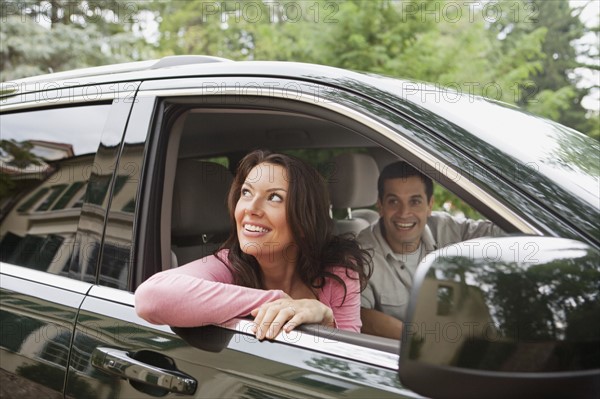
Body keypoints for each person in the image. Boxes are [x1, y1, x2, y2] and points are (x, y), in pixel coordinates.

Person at [135, 150, 371, 339]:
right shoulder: (229, 264)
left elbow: (348, 364)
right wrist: (276, 302)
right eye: (246, 193)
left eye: (274, 197)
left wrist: (324, 317)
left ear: (304, 218)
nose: (250, 208)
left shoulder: (338, 270)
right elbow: (150, 297)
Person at [358, 161, 504, 339]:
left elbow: (508, 229)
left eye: (415, 201)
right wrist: (421, 340)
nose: (404, 213)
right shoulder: (361, 253)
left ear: (430, 205)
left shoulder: (449, 229)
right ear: (380, 206)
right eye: (393, 201)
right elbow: (358, 314)